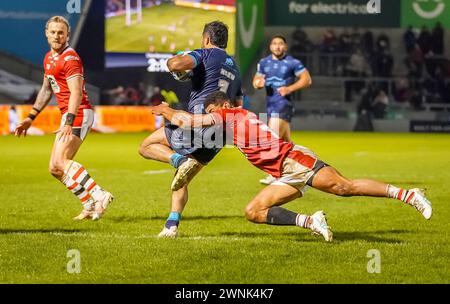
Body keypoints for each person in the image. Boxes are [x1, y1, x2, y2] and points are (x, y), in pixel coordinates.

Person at [150, 91, 433, 241]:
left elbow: (190, 121)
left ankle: (409, 195)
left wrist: (167, 111)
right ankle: (312, 221)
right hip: (283, 171)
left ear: (222, 105)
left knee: (345, 188)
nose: (211, 117)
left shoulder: (229, 114)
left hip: (293, 161)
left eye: (211, 111)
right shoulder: (233, 120)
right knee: (253, 211)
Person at [139, 21, 243, 238]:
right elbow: (238, 103)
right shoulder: (234, 66)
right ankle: (171, 225)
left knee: (146, 146)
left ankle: (178, 160)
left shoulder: (204, 54)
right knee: (181, 177)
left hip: (199, 123)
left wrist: (176, 60)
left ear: (206, 39)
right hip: (220, 134)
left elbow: (175, 65)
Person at [14, 16, 114, 220]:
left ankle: (100, 194)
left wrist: (68, 122)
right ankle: (88, 206)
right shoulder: (49, 58)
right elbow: (45, 90)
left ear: (67, 35)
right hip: (69, 114)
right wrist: (30, 117)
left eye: (61, 32)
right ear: (46, 33)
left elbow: (76, 93)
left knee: (61, 160)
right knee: (54, 168)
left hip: (78, 113)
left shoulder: (70, 59)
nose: (57, 36)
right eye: (53, 32)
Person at [252, 35, 312, 185]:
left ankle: (274, 174)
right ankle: (304, 166)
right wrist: (259, 83)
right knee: (286, 143)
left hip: (284, 103)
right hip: (270, 104)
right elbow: (256, 81)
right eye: (274, 44)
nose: (277, 46)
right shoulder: (264, 62)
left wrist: (289, 88)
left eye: (280, 44)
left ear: (285, 47)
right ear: (270, 46)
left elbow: (307, 79)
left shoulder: (292, 62)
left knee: (271, 136)